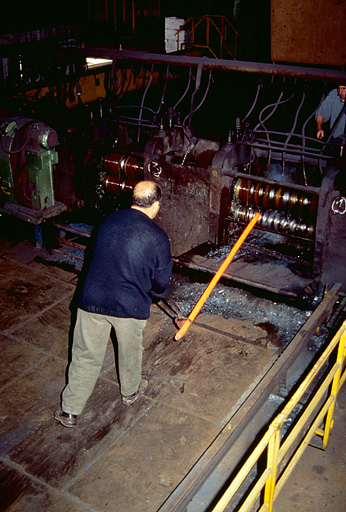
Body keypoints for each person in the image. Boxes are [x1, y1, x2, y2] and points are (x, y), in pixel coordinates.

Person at [55, 181, 173, 428]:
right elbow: (161, 284)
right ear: (156, 205)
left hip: (91, 300)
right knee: (130, 352)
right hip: (128, 306)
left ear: (132, 199)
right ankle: (130, 393)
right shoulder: (158, 237)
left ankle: (69, 410)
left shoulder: (109, 221)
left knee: (86, 355)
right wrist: (153, 292)